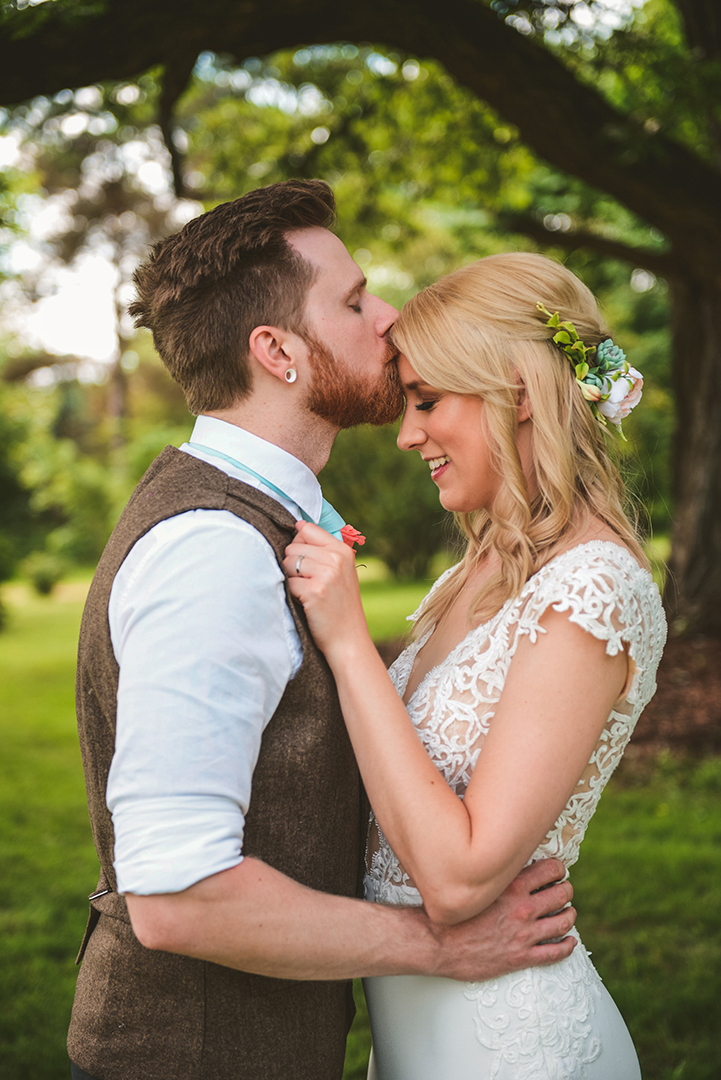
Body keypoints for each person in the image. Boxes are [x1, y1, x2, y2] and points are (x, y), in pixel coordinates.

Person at [67, 185, 578, 1080]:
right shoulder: (214, 551)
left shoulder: (262, 525)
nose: (387, 319)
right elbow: (175, 898)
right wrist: (436, 945)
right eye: (351, 301)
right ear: (277, 352)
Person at [284, 251, 667, 1080]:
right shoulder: (477, 567)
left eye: (426, 401)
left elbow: (457, 883)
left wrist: (351, 646)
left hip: (512, 1047)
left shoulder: (590, 587)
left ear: (518, 396)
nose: (406, 432)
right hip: (413, 1038)